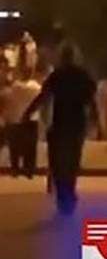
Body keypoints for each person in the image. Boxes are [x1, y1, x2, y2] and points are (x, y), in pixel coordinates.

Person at [23, 44, 97, 215]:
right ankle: (68, 192)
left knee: (57, 162)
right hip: (76, 124)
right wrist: (95, 119)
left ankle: (63, 194)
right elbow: (91, 101)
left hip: (60, 124)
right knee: (72, 162)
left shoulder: (57, 75)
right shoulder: (82, 76)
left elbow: (44, 96)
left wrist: (28, 113)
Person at [4, 69, 41, 178]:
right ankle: (29, 170)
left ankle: (15, 169)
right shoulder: (36, 87)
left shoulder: (14, 87)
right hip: (31, 120)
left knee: (14, 147)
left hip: (15, 119)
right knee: (30, 147)